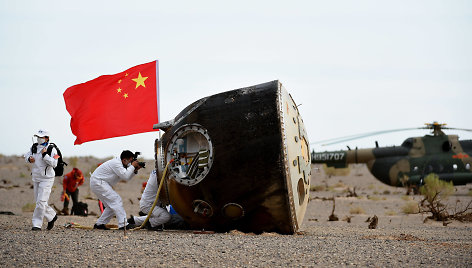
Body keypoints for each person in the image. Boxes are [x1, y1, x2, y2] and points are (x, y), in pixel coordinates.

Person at [90, 150, 142, 230]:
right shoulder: (116, 163)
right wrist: (132, 167)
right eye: (131, 161)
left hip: (99, 183)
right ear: (124, 160)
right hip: (98, 182)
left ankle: (99, 224)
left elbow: (127, 178)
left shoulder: (121, 165)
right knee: (116, 200)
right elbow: (125, 176)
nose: (131, 163)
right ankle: (123, 224)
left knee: (111, 206)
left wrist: (134, 170)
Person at [24, 129, 58, 231]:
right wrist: (29, 158)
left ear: (47, 138)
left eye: (41, 137)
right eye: (37, 137)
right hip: (36, 177)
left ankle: (36, 224)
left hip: (47, 179)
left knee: (41, 202)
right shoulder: (34, 147)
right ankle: (52, 216)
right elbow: (26, 155)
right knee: (39, 202)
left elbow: (55, 163)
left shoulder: (52, 149)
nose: (39, 139)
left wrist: (45, 156)